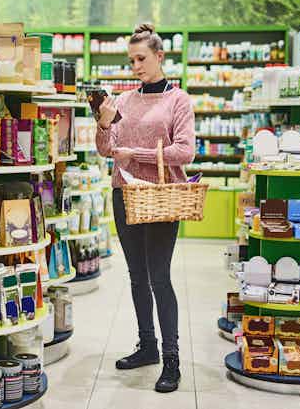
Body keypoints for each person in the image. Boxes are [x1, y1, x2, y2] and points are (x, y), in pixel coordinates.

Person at [95, 22, 195, 393]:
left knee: (160, 278)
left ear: (159, 57)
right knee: (137, 277)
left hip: (161, 198)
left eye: (141, 58)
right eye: (131, 59)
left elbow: (185, 151)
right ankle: (148, 346)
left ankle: (172, 359)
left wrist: (135, 154)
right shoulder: (122, 101)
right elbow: (106, 150)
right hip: (125, 195)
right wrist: (104, 124)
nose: (135, 65)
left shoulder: (178, 100)